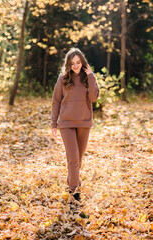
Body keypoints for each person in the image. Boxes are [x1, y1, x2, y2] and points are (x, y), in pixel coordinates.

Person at [51, 48, 99, 201]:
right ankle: (74, 193)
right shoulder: (63, 79)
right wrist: (54, 123)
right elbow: (56, 101)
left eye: (78, 62)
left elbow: (94, 97)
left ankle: (71, 180)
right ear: (68, 65)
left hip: (84, 123)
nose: (76, 66)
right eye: (72, 64)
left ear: (82, 63)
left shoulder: (88, 78)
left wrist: (91, 76)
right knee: (73, 159)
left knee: (78, 160)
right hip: (66, 124)